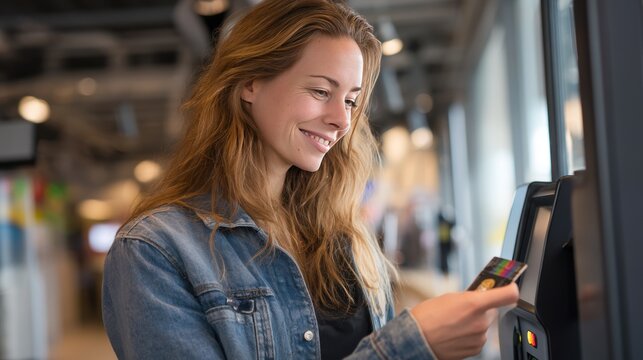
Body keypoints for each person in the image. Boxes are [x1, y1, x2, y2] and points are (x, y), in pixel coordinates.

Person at [101, 0, 519, 359]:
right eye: (321, 91)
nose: (342, 120)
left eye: (351, 100)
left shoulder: (344, 234)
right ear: (250, 83)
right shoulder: (156, 252)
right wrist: (408, 345)